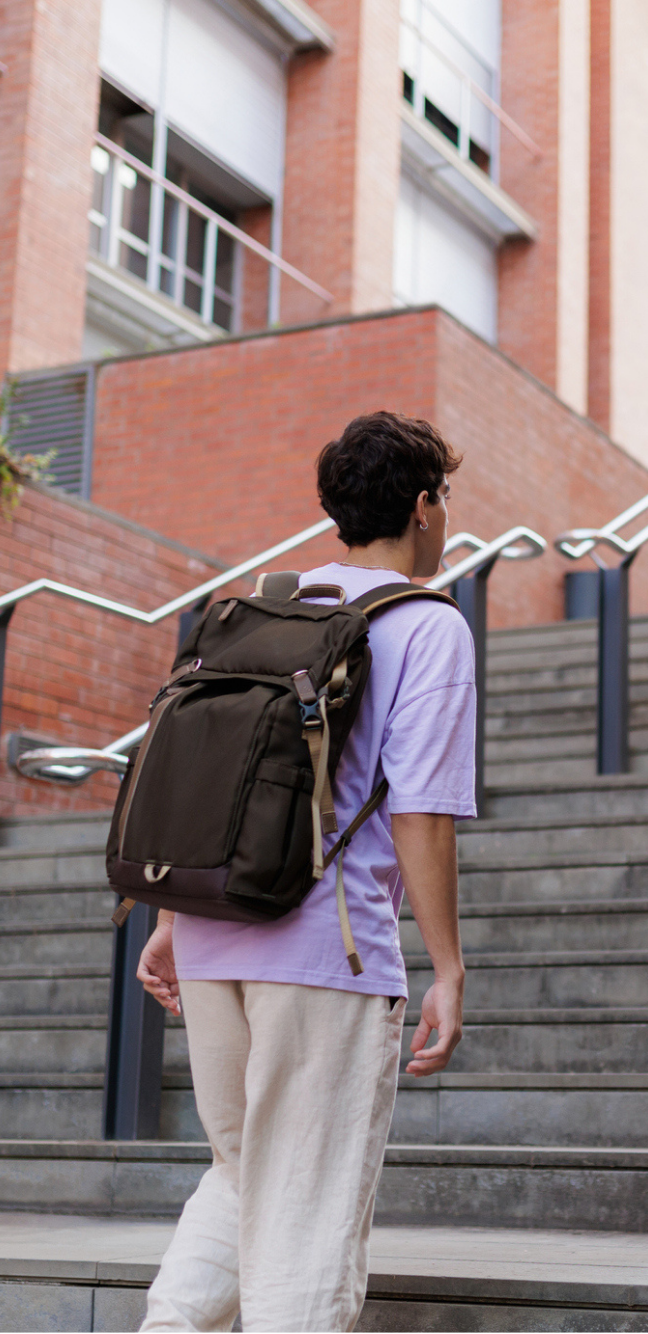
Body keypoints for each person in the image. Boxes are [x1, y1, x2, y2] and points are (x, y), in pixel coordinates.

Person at [135, 411, 476, 1332]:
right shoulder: (425, 624)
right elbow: (422, 811)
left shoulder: (256, 607)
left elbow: (202, 777)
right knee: (309, 1200)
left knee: (245, 1171)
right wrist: (445, 964)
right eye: (443, 501)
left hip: (210, 931)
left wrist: (168, 919)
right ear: (422, 505)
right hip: (328, 947)